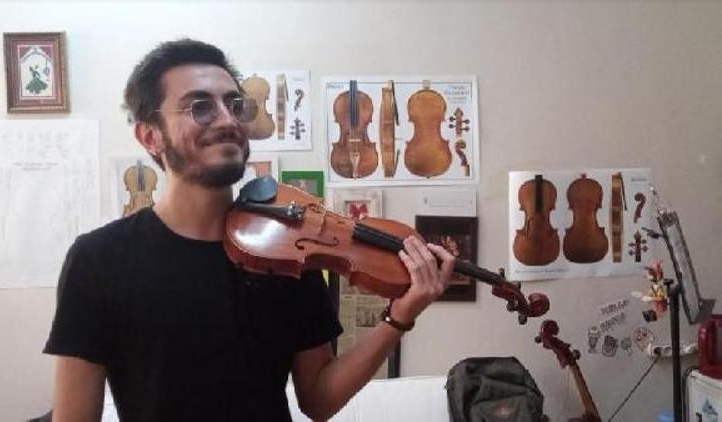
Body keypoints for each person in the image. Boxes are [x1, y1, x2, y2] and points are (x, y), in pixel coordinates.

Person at [43, 38, 455, 422]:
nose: (227, 119)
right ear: (150, 136)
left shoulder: (288, 250)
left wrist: (400, 316)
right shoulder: (98, 260)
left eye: (234, 104)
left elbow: (319, 399)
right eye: (200, 107)